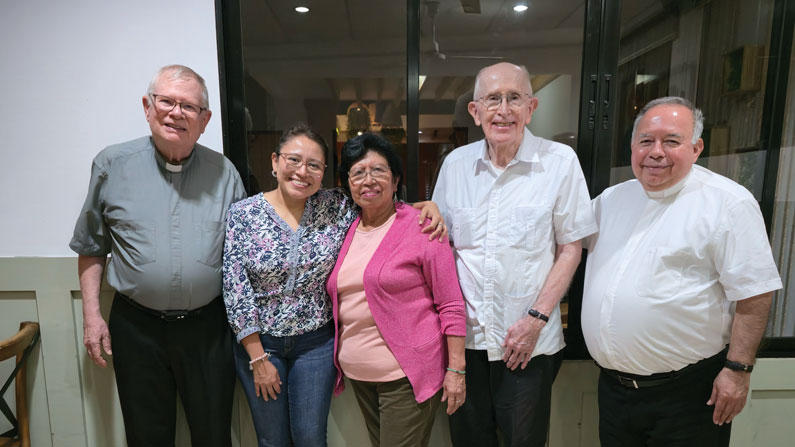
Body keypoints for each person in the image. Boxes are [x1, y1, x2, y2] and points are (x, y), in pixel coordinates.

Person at [222, 124, 446, 447]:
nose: (303, 172)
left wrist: (427, 207)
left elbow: (382, 208)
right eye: (294, 160)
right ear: (274, 162)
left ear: (324, 172)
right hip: (260, 345)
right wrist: (257, 358)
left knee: (311, 438)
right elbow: (235, 288)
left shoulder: (336, 206)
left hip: (316, 344)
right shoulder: (243, 215)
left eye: (313, 165)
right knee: (271, 439)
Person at [582, 96, 783, 446]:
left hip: (688, 396)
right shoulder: (611, 201)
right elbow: (559, 238)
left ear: (696, 147)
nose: (656, 152)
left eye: (671, 141)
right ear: (633, 146)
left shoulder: (727, 204)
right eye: (646, 140)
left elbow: (755, 294)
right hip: (615, 393)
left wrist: (737, 371)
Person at [70, 65, 246, 446]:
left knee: (214, 435)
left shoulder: (225, 173)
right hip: (137, 329)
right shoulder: (111, 165)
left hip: (208, 329)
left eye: (188, 106)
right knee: (147, 436)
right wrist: (91, 316)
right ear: (148, 107)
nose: (175, 112)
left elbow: (243, 258)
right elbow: (91, 246)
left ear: (205, 120)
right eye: (166, 101)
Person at [432, 62, 597, 446]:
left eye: (514, 98)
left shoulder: (559, 162)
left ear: (531, 107)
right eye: (492, 99)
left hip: (528, 345)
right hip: (468, 345)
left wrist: (536, 320)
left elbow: (570, 247)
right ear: (475, 111)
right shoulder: (455, 166)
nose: (503, 110)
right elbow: (441, 248)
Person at [325, 133, 467, 447]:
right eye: (358, 172)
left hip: (406, 378)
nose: (368, 180)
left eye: (378, 170)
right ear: (347, 183)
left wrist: (456, 369)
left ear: (396, 178)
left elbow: (451, 304)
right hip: (362, 378)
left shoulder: (424, 227)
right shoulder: (347, 227)